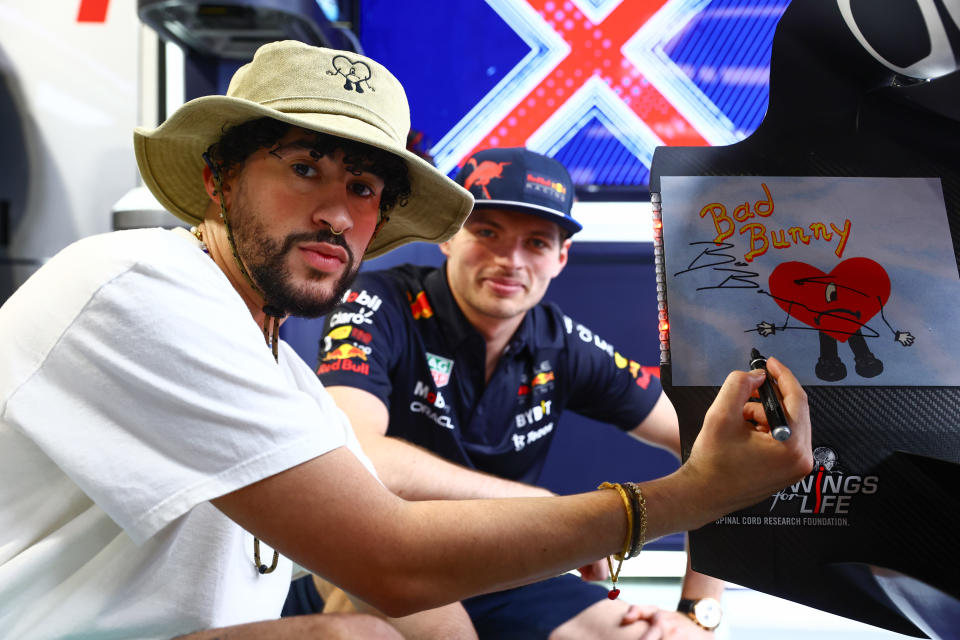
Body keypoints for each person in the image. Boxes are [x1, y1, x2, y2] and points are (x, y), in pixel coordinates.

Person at [0, 40, 813, 640]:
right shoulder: (144, 282)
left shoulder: (275, 359)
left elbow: (704, 441)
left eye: (362, 188)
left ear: (563, 258)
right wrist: (673, 499)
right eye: (305, 167)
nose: (336, 213)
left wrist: (698, 597)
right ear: (216, 177)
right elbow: (382, 534)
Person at [294, 148, 724, 638]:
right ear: (449, 236)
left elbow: (714, 449)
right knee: (427, 631)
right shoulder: (377, 301)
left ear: (560, 258)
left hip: (504, 571)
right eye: (487, 232)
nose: (509, 261)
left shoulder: (562, 343)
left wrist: (698, 609)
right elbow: (358, 454)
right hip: (380, 563)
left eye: (536, 242)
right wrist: (542, 508)